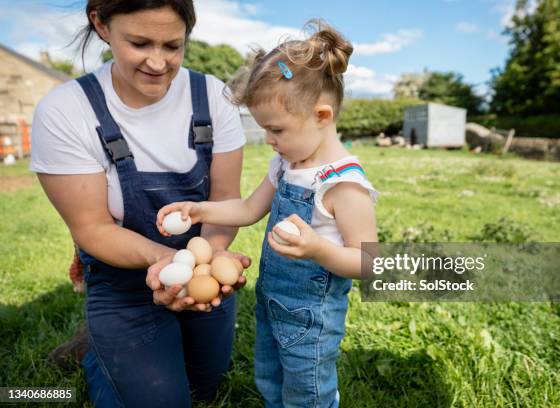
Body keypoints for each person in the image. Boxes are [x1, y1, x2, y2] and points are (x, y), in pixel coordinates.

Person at [30, 1, 249, 406]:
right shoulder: (66, 110)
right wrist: (167, 262)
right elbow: (92, 228)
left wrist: (211, 260)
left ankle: (129, 345)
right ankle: (99, 348)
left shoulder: (213, 97)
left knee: (205, 386)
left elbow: (225, 199)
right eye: (140, 43)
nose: (158, 62)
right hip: (122, 280)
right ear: (101, 24)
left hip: (198, 265)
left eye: (173, 45)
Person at [156, 20, 378, 408]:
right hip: (272, 301)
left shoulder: (344, 184)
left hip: (311, 320)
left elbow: (368, 262)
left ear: (322, 116)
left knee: (308, 392)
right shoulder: (286, 164)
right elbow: (247, 208)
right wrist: (198, 209)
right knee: (271, 379)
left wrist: (317, 250)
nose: (270, 142)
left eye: (276, 130)